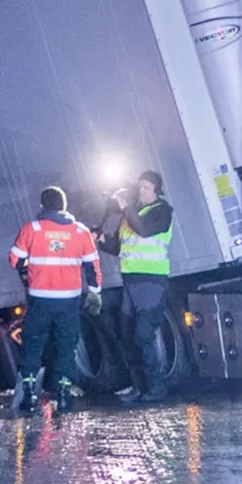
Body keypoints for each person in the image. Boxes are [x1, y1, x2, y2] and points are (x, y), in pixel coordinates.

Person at [8, 185, 100, 412]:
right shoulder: (81, 231)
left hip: (40, 299)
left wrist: (31, 265)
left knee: (33, 345)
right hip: (69, 301)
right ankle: (64, 394)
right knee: (66, 346)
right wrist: (95, 291)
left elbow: (15, 260)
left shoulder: (32, 229)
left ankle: (29, 394)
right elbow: (92, 265)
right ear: (64, 206)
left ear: (42, 206)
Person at [101, 169, 176, 402]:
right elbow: (120, 247)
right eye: (139, 186)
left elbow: (144, 230)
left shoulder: (162, 211)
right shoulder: (130, 215)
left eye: (146, 187)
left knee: (143, 334)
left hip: (152, 282)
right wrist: (102, 241)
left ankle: (156, 387)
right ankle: (138, 386)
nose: (141, 191)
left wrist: (125, 206)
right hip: (130, 283)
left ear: (157, 191)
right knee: (127, 336)